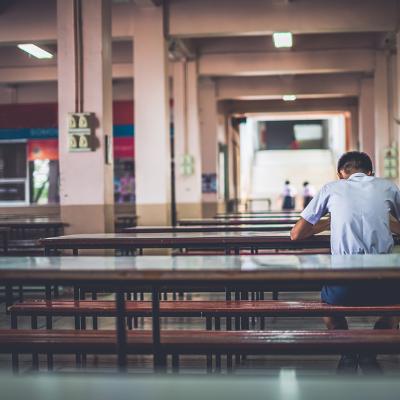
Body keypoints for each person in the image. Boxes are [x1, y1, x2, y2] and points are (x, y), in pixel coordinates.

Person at [290, 151, 400, 373]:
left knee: (327, 306)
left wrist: (328, 223)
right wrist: (384, 224)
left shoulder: (331, 188)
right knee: (394, 310)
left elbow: (296, 234)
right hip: (383, 281)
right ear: (371, 172)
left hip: (344, 282)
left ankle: (348, 351)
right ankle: (371, 351)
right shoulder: (388, 187)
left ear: (341, 173)